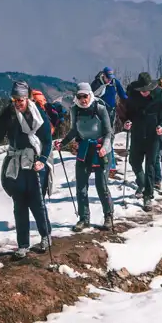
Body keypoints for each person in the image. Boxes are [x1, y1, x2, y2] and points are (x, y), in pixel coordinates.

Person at [0, 81, 53, 258]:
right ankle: (23, 244)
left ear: (27, 98)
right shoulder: (9, 113)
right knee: (19, 204)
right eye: (14, 99)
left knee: (37, 202)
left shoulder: (38, 114)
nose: (17, 103)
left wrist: (43, 160)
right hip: (16, 162)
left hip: (35, 162)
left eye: (20, 100)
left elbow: (47, 140)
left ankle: (46, 236)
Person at [55, 82, 115, 232]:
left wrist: (105, 148)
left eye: (85, 96)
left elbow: (109, 132)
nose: (83, 99)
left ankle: (108, 216)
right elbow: (74, 130)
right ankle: (84, 218)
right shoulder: (75, 110)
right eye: (79, 96)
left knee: (102, 185)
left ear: (90, 95)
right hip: (84, 149)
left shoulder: (100, 109)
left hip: (100, 149)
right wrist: (63, 143)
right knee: (81, 187)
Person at [124, 74, 162, 211]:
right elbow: (128, 113)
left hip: (153, 134)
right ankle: (141, 182)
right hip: (137, 133)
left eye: (146, 90)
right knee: (133, 161)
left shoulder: (160, 94)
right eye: (142, 90)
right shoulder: (133, 94)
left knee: (150, 165)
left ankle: (147, 196)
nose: (144, 92)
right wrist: (127, 121)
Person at [91, 67, 127, 179]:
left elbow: (122, 95)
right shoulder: (96, 83)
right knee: (98, 135)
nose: (109, 80)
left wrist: (130, 103)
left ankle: (109, 160)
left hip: (111, 112)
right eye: (108, 78)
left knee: (109, 134)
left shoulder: (115, 83)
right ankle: (96, 160)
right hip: (98, 112)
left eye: (111, 78)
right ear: (103, 75)